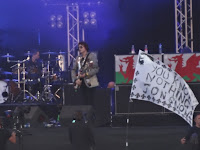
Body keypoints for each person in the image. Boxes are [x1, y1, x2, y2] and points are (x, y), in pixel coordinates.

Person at [71, 42, 99, 106]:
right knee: (83, 102)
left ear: (85, 47)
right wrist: (75, 80)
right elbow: (73, 69)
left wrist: (86, 74)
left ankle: (91, 115)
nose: (79, 49)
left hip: (90, 82)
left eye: (81, 47)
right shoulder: (78, 58)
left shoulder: (91, 56)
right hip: (81, 82)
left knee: (91, 102)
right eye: (79, 47)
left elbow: (96, 69)